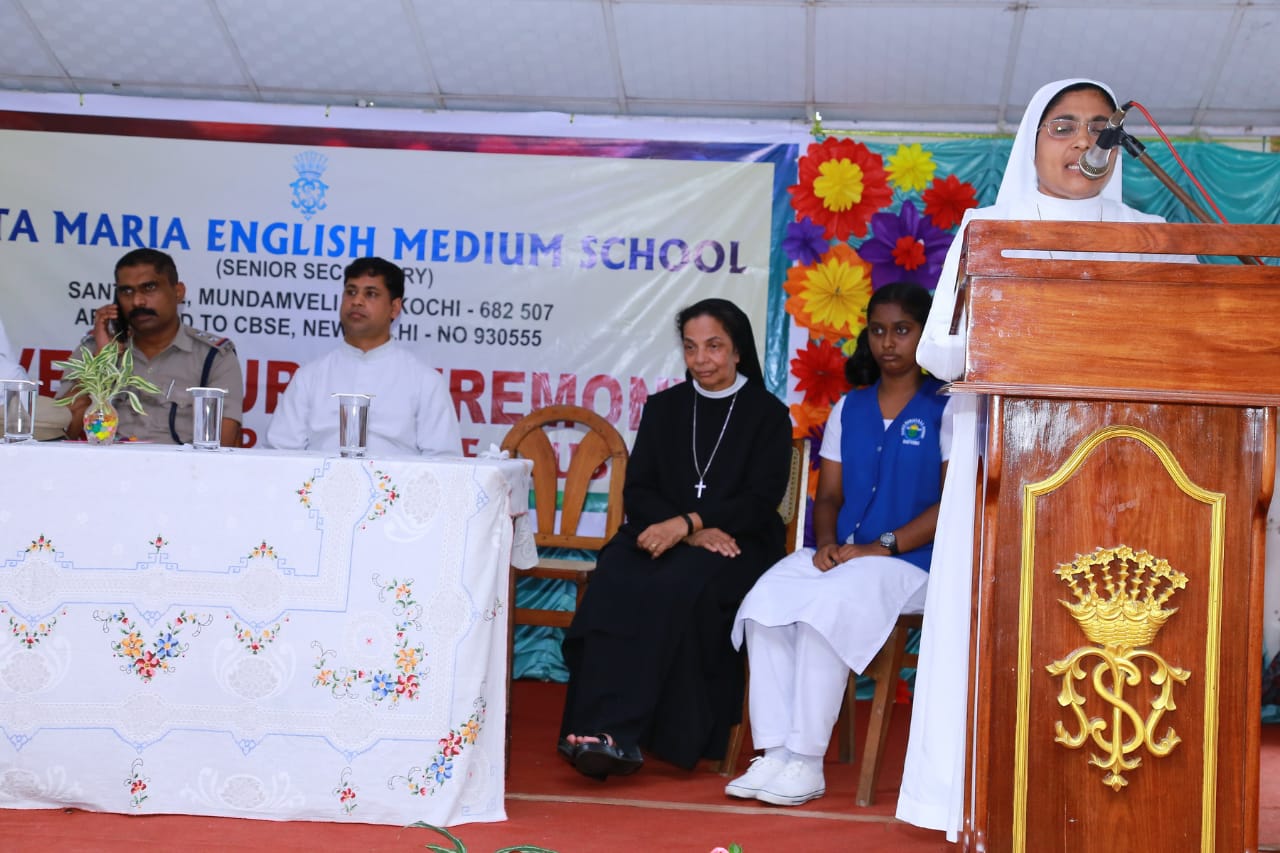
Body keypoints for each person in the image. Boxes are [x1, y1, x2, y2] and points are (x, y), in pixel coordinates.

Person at [897, 78, 1193, 839]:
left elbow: (1189, 350)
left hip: (1134, 480)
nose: (1083, 141)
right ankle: (988, 802)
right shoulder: (990, 228)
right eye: (1063, 126)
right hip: (1010, 461)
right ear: (1031, 143)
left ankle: (1112, 810)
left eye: (1099, 127)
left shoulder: (1151, 234)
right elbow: (938, 351)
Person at [727, 282, 951, 806]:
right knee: (767, 601)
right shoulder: (850, 408)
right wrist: (826, 543)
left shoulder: (948, 408)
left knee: (826, 607)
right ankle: (775, 753)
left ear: (925, 335)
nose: (888, 342)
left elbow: (952, 504)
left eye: (902, 330)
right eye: (878, 330)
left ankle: (806, 762)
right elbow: (827, 496)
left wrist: (885, 546)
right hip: (848, 556)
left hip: (916, 564)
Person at [558, 298, 792, 780]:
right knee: (615, 576)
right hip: (662, 532)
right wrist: (686, 531)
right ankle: (592, 728)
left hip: (740, 543)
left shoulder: (767, 413)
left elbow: (760, 500)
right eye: (690, 347)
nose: (701, 359)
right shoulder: (665, 408)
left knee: (676, 585)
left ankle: (624, 734)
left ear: (738, 351)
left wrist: (688, 525)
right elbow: (639, 490)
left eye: (714, 346)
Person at [267, 256, 461, 457]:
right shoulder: (309, 377)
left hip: (397, 479)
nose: (357, 301)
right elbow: (279, 456)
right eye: (351, 292)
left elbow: (444, 462)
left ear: (394, 308)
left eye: (371, 294)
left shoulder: (425, 381)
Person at [59, 248, 244, 445]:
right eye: (127, 291)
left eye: (149, 288)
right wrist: (101, 362)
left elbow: (223, 444)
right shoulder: (96, 350)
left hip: (182, 464)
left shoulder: (213, 357)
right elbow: (62, 431)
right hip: (106, 463)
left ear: (178, 292)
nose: (137, 301)